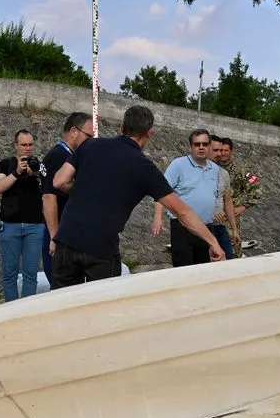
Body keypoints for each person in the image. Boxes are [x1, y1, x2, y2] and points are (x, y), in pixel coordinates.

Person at [52, 106, 223, 288]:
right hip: (100, 247)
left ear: (122, 127)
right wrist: (213, 242)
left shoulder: (90, 145)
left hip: (67, 240)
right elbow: (182, 212)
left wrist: (83, 188)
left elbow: (59, 181)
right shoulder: (144, 168)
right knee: (102, 307)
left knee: (59, 305)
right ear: (149, 133)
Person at [151, 129, 231, 267]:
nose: (201, 147)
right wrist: (158, 218)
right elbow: (161, 192)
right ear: (191, 146)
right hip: (183, 228)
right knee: (184, 269)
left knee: (204, 268)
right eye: (197, 144)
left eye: (205, 144)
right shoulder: (178, 165)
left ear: (209, 146)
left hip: (206, 227)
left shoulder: (215, 169)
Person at [40, 111, 95, 277]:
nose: (91, 141)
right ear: (73, 131)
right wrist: (54, 236)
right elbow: (48, 197)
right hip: (61, 235)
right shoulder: (59, 156)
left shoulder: (70, 156)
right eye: (88, 136)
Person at [0, 129, 45, 301]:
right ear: (16, 146)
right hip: (10, 225)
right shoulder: (5, 164)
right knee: (10, 274)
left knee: (31, 274)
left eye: (30, 144)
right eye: (23, 145)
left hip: (35, 225)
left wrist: (36, 175)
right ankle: (10, 311)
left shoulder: (39, 165)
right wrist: (17, 172)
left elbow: (50, 190)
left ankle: (26, 312)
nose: (27, 148)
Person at [214, 136, 262, 257]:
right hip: (213, 217)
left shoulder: (240, 171)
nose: (223, 153)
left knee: (233, 252)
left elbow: (257, 190)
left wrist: (243, 207)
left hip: (231, 220)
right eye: (221, 150)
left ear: (231, 151)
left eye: (226, 150)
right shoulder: (211, 168)